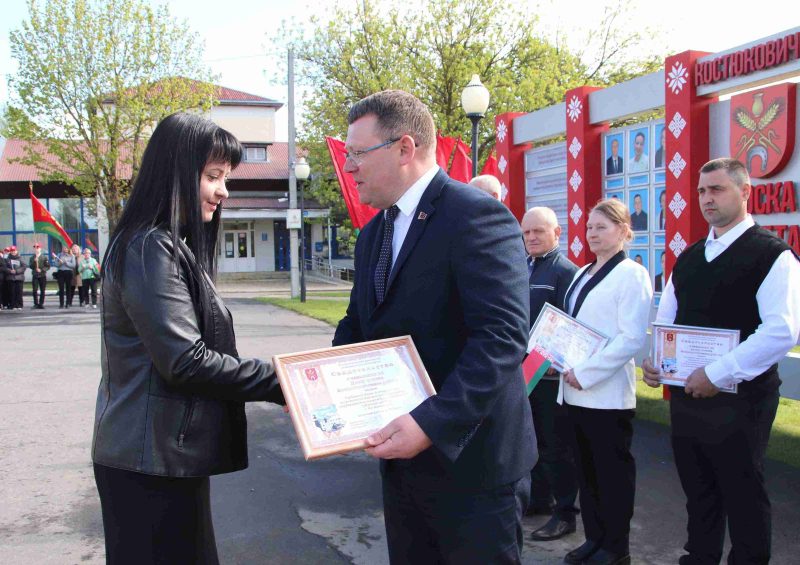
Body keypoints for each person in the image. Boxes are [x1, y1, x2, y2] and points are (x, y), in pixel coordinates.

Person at [333, 90, 535, 564]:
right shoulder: (373, 235)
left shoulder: (475, 215)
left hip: (473, 467)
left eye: (358, 154)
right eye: (348, 155)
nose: (349, 167)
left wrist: (430, 423)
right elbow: (359, 322)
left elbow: (501, 338)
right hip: (404, 464)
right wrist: (316, 392)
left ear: (405, 148)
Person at [92, 112, 285, 563]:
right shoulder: (148, 246)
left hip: (162, 458)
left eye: (226, 177)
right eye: (213, 176)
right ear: (176, 172)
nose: (224, 190)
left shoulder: (166, 244)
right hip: (148, 464)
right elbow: (185, 361)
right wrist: (285, 380)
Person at [642, 158, 800, 565]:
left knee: (744, 493)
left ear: (745, 192)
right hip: (688, 399)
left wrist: (717, 373)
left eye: (717, 189)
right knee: (699, 493)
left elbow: (781, 330)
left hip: (741, 400)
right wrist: (658, 362)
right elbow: (667, 320)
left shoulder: (773, 255)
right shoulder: (690, 257)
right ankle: (700, 557)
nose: (707, 199)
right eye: (701, 191)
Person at [560, 198, 652, 565]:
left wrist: (586, 372)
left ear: (624, 231)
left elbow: (631, 339)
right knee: (587, 474)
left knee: (612, 476)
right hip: (574, 393)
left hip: (606, 396)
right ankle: (594, 539)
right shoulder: (583, 272)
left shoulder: (632, 273)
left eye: (602, 226)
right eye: (589, 227)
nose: (592, 233)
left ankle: (616, 547)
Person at [520, 207, 580, 542]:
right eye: (527, 232)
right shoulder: (524, 267)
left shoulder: (564, 271)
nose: (531, 238)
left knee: (557, 446)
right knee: (534, 441)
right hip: (525, 372)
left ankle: (565, 513)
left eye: (538, 232)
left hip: (549, 376)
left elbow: (568, 326)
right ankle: (540, 500)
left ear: (557, 233)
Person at [29, 243, 50, 309]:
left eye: (37, 247)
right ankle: (36, 303)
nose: (36, 249)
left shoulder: (44, 257)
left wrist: (41, 270)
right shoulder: (32, 257)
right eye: (35, 247)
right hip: (35, 275)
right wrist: (34, 262)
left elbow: (47, 266)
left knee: (42, 290)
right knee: (34, 290)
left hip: (42, 275)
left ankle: (41, 303)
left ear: (40, 248)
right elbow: (31, 267)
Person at [5, 245, 27, 310]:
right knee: (12, 292)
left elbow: (24, 266)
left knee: (19, 292)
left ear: (16, 251)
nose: (13, 252)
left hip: (19, 278)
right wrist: (10, 271)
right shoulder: (7, 259)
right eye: (12, 251)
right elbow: (5, 267)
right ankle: (13, 305)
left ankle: (19, 305)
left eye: (14, 251)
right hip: (11, 278)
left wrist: (17, 271)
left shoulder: (20, 258)